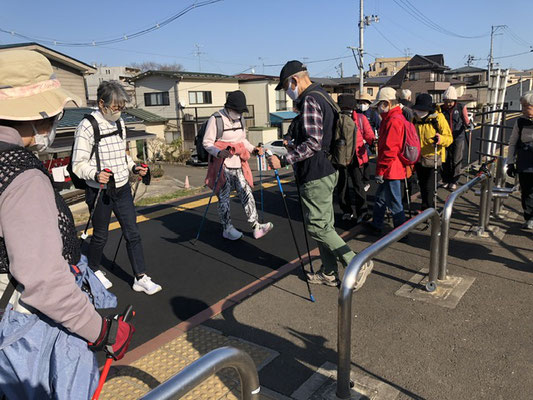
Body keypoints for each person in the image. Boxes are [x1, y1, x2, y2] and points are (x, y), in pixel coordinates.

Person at [0, 50, 134, 399]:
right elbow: (44, 281)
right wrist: (102, 331)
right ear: (32, 115)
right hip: (24, 327)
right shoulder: (22, 176)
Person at [268, 60, 373, 289]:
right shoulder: (324, 96)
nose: (287, 92)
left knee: (317, 226)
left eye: (286, 86)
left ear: (294, 80)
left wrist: (285, 158)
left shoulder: (309, 99)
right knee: (324, 225)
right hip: (328, 168)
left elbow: (313, 143)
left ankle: (356, 263)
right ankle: (328, 272)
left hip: (315, 172)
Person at [72, 80, 162, 295]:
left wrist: (134, 167)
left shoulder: (119, 123)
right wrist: (95, 174)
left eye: (122, 107)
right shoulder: (87, 125)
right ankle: (93, 270)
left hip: (121, 188)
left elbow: (121, 154)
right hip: (99, 190)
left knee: (133, 233)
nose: (119, 111)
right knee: (101, 235)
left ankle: (140, 277)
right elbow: (78, 163)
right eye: (115, 106)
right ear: (102, 103)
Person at [203, 90, 273, 240]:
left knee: (246, 193)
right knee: (224, 197)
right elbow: (207, 143)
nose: (239, 113)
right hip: (222, 166)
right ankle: (227, 228)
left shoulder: (240, 119)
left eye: (241, 111)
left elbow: (243, 141)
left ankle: (256, 226)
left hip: (238, 164)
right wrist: (218, 152)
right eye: (237, 110)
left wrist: (254, 149)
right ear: (229, 108)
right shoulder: (216, 119)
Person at [364, 87, 408, 235]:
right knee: (381, 199)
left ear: (386, 103)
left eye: (379, 105)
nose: (378, 108)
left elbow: (390, 150)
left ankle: (401, 232)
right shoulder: (394, 118)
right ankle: (377, 224)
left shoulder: (393, 121)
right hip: (392, 167)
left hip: (391, 169)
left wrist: (380, 171)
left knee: (395, 202)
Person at [336, 94, 375, 223]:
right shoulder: (359, 118)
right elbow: (369, 135)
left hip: (352, 157)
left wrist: (372, 142)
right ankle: (353, 211)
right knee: (347, 186)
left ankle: (357, 212)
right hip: (345, 157)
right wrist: (372, 142)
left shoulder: (357, 118)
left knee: (352, 186)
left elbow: (369, 135)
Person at [412, 94, 453, 211]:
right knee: (422, 184)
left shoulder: (437, 118)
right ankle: (425, 207)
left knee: (429, 187)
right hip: (419, 157)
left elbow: (449, 138)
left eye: (422, 109)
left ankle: (427, 210)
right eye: (418, 109)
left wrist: (440, 139)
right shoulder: (415, 119)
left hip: (433, 158)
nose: (419, 111)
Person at [506, 91, 533, 231]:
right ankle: (529, 218)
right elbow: (512, 142)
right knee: (526, 191)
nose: (522, 110)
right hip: (524, 163)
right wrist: (510, 163)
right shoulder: (520, 121)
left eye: (526, 107)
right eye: (522, 107)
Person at [440, 86, 471, 190]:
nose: (448, 104)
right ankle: (445, 179)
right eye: (446, 101)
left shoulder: (461, 107)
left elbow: (466, 121)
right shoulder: (441, 109)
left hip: (458, 136)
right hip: (445, 137)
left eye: (450, 101)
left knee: (456, 159)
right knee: (445, 159)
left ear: (454, 100)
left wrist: (469, 125)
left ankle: (454, 180)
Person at [355, 92, 380, 192]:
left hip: (367, 142)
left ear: (368, 103)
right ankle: (360, 181)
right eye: (360, 102)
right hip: (356, 142)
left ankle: (366, 181)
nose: (362, 104)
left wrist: (375, 139)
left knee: (366, 162)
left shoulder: (373, 114)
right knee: (357, 162)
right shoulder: (355, 113)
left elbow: (379, 126)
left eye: (364, 102)